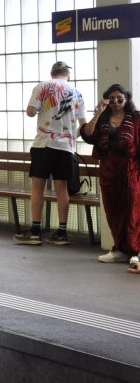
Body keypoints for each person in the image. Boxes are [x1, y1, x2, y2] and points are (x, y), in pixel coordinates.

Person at [19, 61, 87, 246]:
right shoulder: (77, 93)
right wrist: (71, 138)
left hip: (44, 144)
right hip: (65, 147)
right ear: (68, 75)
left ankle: (35, 231)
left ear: (52, 73)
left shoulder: (42, 86)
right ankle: (62, 233)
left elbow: (31, 112)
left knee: (37, 186)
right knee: (62, 188)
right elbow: (84, 125)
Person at [80, 83, 140, 270]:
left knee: (132, 209)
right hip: (108, 170)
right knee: (113, 212)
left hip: (130, 169)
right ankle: (120, 249)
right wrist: (97, 113)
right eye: (112, 98)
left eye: (120, 98)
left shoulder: (136, 118)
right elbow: (88, 136)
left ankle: (134, 251)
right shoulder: (103, 119)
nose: (116, 102)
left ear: (127, 99)